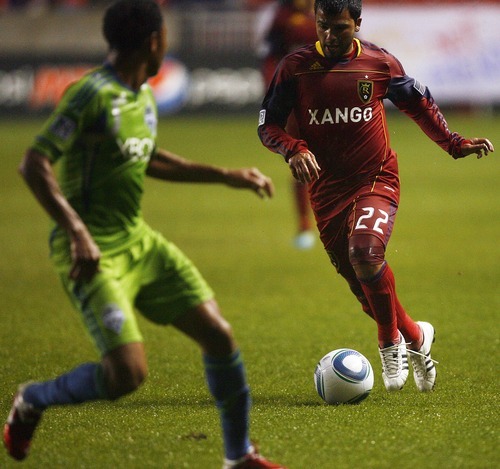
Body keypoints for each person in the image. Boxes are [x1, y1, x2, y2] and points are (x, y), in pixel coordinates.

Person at [3, 1, 286, 468]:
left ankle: (238, 457)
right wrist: (77, 232)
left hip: (138, 241)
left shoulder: (142, 96)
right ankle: (32, 399)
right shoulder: (89, 94)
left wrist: (225, 174)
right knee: (126, 376)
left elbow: (149, 158)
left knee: (218, 334)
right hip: (92, 252)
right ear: (155, 41)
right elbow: (33, 163)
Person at [258, 0, 494, 392]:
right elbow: (268, 126)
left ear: (358, 24)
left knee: (366, 254)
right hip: (326, 191)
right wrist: (292, 148)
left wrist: (454, 143)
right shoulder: (294, 68)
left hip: (375, 178)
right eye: (323, 27)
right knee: (365, 289)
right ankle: (417, 336)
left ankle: (389, 343)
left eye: (340, 28)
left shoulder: (379, 63)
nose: (330, 37)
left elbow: (418, 103)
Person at [257, 0, 318, 250]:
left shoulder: (327, 12)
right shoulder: (282, 17)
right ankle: (304, 223)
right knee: (301, 154)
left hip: (328, 93)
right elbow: (270, 55)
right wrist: (274, 88)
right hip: (296, 98)